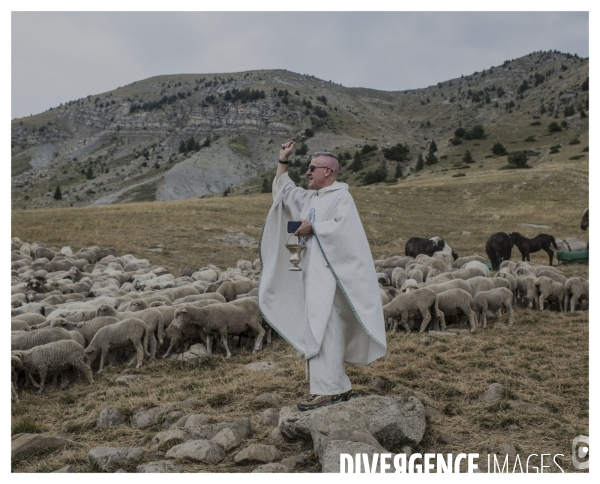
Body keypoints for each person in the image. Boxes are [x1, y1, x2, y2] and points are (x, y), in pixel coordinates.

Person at [258, 140, 387, 411]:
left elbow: (345, 231)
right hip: (311, 276)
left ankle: (328, 390)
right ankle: (337, 386)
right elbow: (284, 190)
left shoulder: (342, 197)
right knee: (320, 328)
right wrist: (283, 160)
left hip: (330, 279)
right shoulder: (309, 198)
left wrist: (314, 228)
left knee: (325, 328)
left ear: (328, 171)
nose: (307, 172)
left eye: (312, 168)